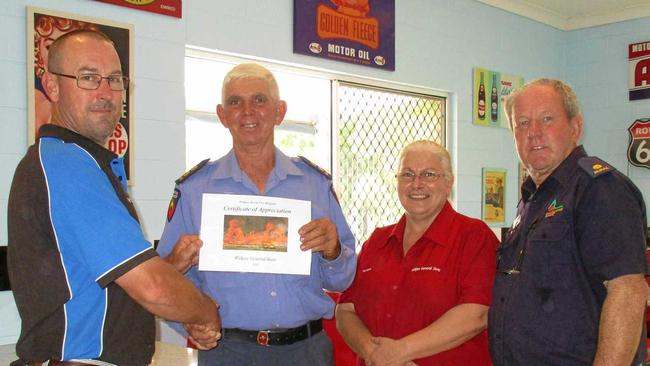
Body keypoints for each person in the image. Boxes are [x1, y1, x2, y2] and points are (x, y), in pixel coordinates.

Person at [7, 30, 221, 366]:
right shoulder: (68, 164)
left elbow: (106, 285)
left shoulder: (77, 162)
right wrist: (206, 311)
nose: (105, 92)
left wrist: (170, 268)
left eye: (115, 79)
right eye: (89, 77)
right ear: (51, 86)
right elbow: (150, 287)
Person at [157, 63, 357, 366]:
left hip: (306, 352)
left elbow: (343, 280)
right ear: (223, 115)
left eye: (259, 100)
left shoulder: (316, 185)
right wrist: (189, 322)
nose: (247, 111)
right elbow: (165, 280)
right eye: (235, 102)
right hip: (227, 352)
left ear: (279, 111)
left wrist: (332, 251)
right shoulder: (194, 190)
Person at [489, 78, 648, 365]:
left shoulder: (598, 188)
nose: (533, 133)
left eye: (546, 119)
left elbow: (627, 291)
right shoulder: (531, 199)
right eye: (522, 123)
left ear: (575, 127)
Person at [336, 140, 498, 366]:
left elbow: (477, 314)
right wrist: (373, 354)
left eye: (429, 174)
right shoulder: (377, 240)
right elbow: (345, 311)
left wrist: (399, 353)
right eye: (407, 174)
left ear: (449, 183)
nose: (417, 184)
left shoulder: (474, 237)